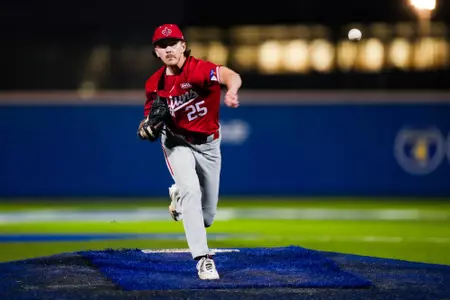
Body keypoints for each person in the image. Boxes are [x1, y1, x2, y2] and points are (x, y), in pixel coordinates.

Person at [137, 24, 242, 280]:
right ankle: (203, 259)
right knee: (191, 191)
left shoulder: (199, 69)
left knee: (207, 217)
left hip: (208, 145)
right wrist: (146, 127)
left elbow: (231, 74)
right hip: (176, 142)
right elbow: (149, 120)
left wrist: (232, 90)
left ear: (183, 45)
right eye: (163, 45)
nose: (169, 48)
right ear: (157, 52)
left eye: (173, 43)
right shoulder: (154, 83)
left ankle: (177, 196)